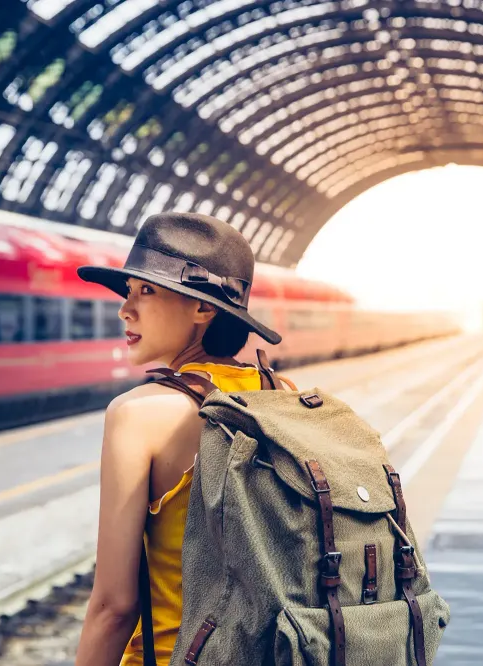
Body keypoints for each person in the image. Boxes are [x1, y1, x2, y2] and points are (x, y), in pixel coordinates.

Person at [73, 212, 282, 666]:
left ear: (203, 309)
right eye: (128, 292)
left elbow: (113, 607)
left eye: (146, 291)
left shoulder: (138, 414)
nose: (125, 309)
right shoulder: (279, 394)